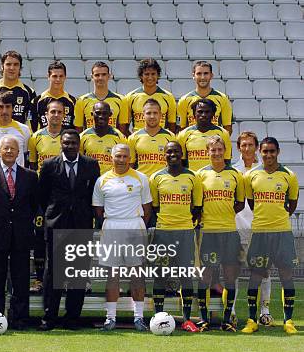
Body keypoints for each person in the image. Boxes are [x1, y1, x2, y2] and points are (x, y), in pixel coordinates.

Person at [38, 129, 100, 330]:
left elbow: (93, 195)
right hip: (57, 223)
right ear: (61, 144)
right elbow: (43, 194)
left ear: (79, 144)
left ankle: (72, 318)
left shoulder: (91, 165)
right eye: (66, 143)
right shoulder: (49, 166)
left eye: (73, 143)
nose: (70, 146)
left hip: (81, 224)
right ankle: (49, 317)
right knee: (53, 273)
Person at [0, 135, 38, 330]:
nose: (9, 151)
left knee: (21, 280)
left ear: (19, 152)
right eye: (6, 148)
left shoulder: (30, 176)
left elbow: (33, 204)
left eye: (13, 148)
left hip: (21, 236)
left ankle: (19, 318)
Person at [242, 137, 299, 335]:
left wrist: (278, 218)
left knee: (286, 276)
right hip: (260, 232)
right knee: (256, 276)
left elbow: (292, 204)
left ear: (278, 152)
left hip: (282, 233)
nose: (268, 155)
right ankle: (251, 320)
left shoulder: (289, 175)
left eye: (272, 151)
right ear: (260, 151)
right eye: (265, 151)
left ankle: (288, 321)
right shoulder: (251, 175)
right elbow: (251, 203)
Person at [92, 144, 152, 331]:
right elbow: (98, 210)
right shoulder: (102, 180)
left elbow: (147, 209)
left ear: (130, 158)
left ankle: (139, 318)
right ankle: (110, 318)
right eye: (118, 156)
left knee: (137, 275)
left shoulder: (141, 178)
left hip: (134, 225)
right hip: (112, 226)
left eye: (125, 156)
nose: (121, 159)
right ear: (112, 157)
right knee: (112, 275)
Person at [149, 141, 202, 333]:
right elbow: (154, 206)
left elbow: (197, 207)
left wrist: (184, 222)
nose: (172, 154)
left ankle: (187, 319)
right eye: (169, 151)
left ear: (182, 154)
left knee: (186, 275)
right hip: (163, 233)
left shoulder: (192, 178)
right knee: (160, 275)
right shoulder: (156, 178)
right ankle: (158, 315)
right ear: (164, 155)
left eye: (176, 152)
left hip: (186, 232)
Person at [196, 136, 244, 332]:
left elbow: (240, 203)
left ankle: (227, 318)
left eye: (219, 149)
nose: (216, 153)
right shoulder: (199, 175)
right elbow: (196, 204)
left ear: (225, 151)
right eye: (212, 150)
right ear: (207, 151)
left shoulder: (236, 175)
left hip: (229, 232)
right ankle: (204, 318)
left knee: (230, 276)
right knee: (205, 276)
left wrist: (225, 214)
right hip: (208, 232)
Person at [233, 131, 273, 326]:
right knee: (232, 272)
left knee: (262, 271)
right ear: (238, 148)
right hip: (236, 227)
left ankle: (264, 312)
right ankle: (231, 311)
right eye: (243, 145)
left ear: (257, 147)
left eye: (250, 145)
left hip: (260, 228)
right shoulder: (232, 170)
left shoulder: (266, 169)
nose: (247, 148)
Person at [28, 100, 65, 294]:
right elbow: (33, 166)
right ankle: (39, 279)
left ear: (64, 115)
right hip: (43, 196)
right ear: (46, 115)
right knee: (40, 239)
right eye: (53, 112)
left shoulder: (68, 138)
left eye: (59, 112)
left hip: (63, 196)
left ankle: (65, 279)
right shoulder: (36, 137)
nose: (56, 115)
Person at [0, 50, 36, 126]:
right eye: (8, 64)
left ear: (20, 67)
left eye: (16, 64)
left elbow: (31, 120)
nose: (12, 68)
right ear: (2, 66)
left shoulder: (29, 92)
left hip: (19, 135)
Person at [177, 61, 233, 134]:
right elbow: (181, 128)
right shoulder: (184, 100)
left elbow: (228, 127)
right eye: (199, 74)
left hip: (214, 143)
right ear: (193, 76)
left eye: (206, 73)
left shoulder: (222, 98)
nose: (202, 77)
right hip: (193, 142)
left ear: (211, 75)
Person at [74, 61, 129, 135]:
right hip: (90, 143)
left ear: (109, 76)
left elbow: (123, 131)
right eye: (97, 75)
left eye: (104, 74)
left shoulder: (121, 100)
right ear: (92, 77)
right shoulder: (81, 101)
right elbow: (79, 130)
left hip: (113, 143)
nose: (100, 78)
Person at [177, 98, 232, 172]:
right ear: (194, 114)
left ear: (213, 114)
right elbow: (182, 163)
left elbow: (227, 161)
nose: (203, 115)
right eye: (200, 112)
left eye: (207, 112)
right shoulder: (183, 134)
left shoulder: (223, 133)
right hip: (194, 179)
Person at [124, 58, 177, 134]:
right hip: (139, 142)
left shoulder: (168, 97)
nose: (150, 77)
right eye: (146, 74)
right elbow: (124, 126)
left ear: (158, 75)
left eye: (153, 74)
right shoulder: (130, 97)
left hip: (161, 140)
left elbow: (172, 125)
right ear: (141, 76)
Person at [0, 91, 31, 170]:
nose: (4, 111)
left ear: (13, 108)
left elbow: (25, 153)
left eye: (8, 107)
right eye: (1, 107)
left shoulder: (24, 130)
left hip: (17, 179)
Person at [128, 99, 176, 178]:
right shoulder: (133, 138)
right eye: (148, 113)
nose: (152, 116)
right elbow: (130, 165)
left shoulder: (171, 137)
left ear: (160, 114)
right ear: (143, 115)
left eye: (155, 113)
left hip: (163, 181)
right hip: (142, 182)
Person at [80, 101, 129, 175]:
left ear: (110, 114)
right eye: (98, 113)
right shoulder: (83, 136)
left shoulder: (119, 137)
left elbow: (124, 162)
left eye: (105, 113)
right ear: (92, 114)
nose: (101, 116)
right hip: (89, 180)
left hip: (111, 181)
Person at [30, 60, 77, 132]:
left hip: (65, 142)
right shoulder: (37, 101)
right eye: (55, 76)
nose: (58, 79)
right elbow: (32, 128)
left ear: (65, 77)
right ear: (48, 77)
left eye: (61, 76)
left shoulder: (73, 101)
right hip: (43, 142)